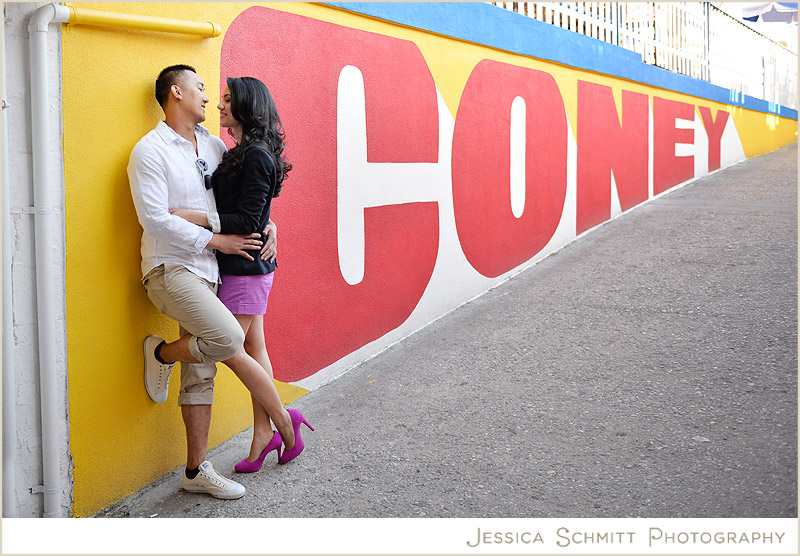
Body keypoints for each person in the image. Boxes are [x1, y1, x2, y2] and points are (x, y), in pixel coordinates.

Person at [128, 65, 275, 499]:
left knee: (202, 371)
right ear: (176, 92)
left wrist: (268, 226)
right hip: (170, 268)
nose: (210, 98)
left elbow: (246, 198)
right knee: (229, 335)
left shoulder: (213, 145)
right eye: (200, 88)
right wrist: (216, 239)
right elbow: (155, 219)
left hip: (211, 270)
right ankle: (160, 353)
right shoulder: (150, 151)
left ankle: (195, 471)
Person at [171, 77, 313, 470]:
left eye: (228, 100)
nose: (218, 106)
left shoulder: (255, 156)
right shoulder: (241, 152)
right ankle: (265, 431)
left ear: (247, 106)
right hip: (240, 265)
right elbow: (260, 212)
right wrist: (270, 224)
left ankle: (282, 424)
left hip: (246, 267)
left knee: (228, 347)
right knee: (253, 349)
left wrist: (193, 218)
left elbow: (250, 218)